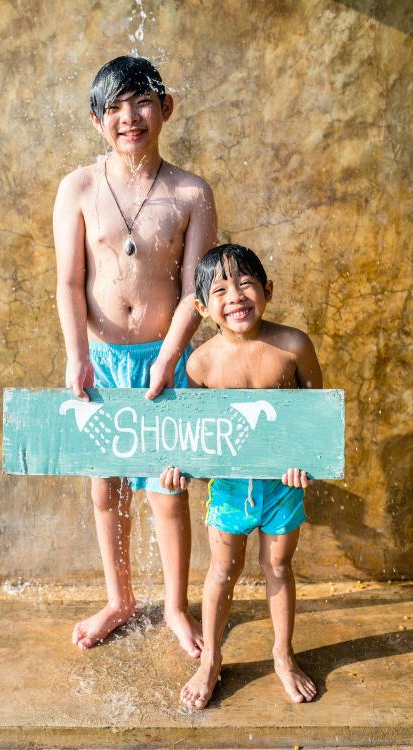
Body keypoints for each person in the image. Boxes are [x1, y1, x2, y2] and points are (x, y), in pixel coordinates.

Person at [53, 55, 217, 656]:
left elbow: (196, 290)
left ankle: (174, 605)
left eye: (142, 102)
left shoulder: (190, 192)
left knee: (167, 489)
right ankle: (120, 598)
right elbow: (70, 283)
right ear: (98, 121)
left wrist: (171, 354)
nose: (130, 117)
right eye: (115, 108)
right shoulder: (79, 188)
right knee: (106, 487)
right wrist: (77, 356)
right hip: (100, 359)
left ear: (165, 108)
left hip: (162, 358)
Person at [160, 243, 322, 707]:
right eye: (220, 289)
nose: (235, 295)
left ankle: (282, 655)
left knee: (277, 566)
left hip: (282, 485)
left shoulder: (293, 345)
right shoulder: (200, 364)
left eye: (246, 282)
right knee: (223, 570)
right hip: (229, 489)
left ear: (267, 290)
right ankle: (211, 659)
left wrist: (304, 458)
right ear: (201, 307)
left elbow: (318, 413)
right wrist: (180, 468)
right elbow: (191, 434)